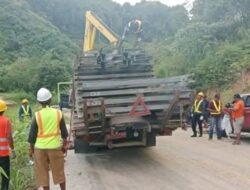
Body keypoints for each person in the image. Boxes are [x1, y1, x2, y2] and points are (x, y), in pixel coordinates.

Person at [28, 88, 68, 190]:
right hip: (55, 147)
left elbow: (32, 136)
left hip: (40, 149)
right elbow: (64, 133)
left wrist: (31, 150)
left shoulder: (37, 115)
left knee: (43, 174)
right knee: (59, 172)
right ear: (50, 99)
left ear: (39, 101)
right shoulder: (58, 113)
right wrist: (64, 146)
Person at [0, 100, 15, 190]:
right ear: (4, 110)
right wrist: (13, 149)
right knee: (5, 176)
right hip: (4, 154)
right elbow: (9, 136)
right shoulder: (6, 121)